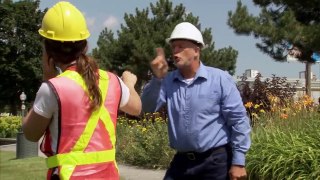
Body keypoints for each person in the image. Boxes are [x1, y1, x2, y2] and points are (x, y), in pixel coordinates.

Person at [22, 1, 141, 179]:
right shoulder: (113, 81)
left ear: (48, 51)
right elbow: (136, 108)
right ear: (85, 46)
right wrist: (129, 84)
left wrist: (47, 78)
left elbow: (30, 134)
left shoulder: (52, 88)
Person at [141, 22, 251, 180]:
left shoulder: (219, 79)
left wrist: (239, 162)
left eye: (180, 47)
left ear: (196, 51)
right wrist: (157, 79)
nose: (175, 52)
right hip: (181, 163)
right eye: (173, 47)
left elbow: (238, 120)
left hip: (215, 163)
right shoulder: (167, 81)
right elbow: (147, 108)